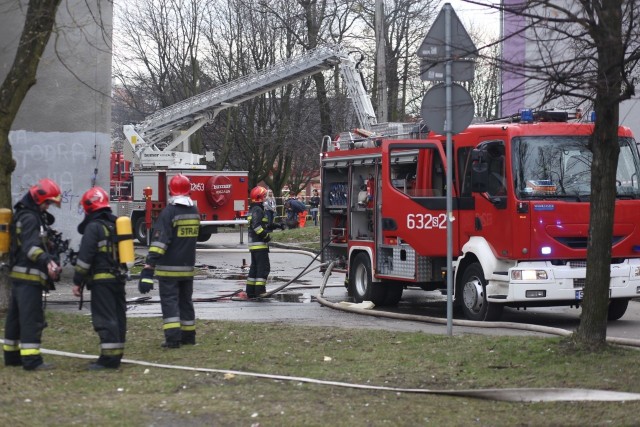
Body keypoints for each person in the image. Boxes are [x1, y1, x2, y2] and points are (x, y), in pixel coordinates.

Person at [3, 178, 62, 371]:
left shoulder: (24, 214)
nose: (48, 207)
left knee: (15, 317)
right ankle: (32, 360)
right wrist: (48, 261)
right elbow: (30, 248)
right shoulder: (29, 218)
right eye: (47, 203)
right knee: (31, 318)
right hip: (29, 277)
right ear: (39, 199)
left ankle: (12, 356)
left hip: (20, 276)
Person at [138, 174, 200, 348]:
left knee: (170, 301)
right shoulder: (193, 211)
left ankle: (173, 339)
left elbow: (159, 242)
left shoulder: (169, 212)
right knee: (186, 301)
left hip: (169, 269)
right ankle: (189, 336)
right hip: (188, 268)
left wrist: (149, 265)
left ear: (171, 190)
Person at [71, 186, 127, 370]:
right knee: (118, 317)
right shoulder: (116, 224)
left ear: (89, 206)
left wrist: (77, 281)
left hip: (102, 281)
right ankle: (116, 355)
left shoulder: (93, 227)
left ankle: (108, 360)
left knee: (105, 318)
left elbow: (85, 258)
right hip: (118, 279)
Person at [245, 186, 282, 299]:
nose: (266, 197)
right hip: (259, 244)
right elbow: (257, 227)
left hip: (254, 245)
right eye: (264, 195)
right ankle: (260, 291)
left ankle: (251, 291)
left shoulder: (254, 208)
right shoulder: (258, 210)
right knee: (263, 268)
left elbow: (262, 224)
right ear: (260, 197)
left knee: (255, 268)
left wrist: (277, 225)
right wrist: (266, 237)